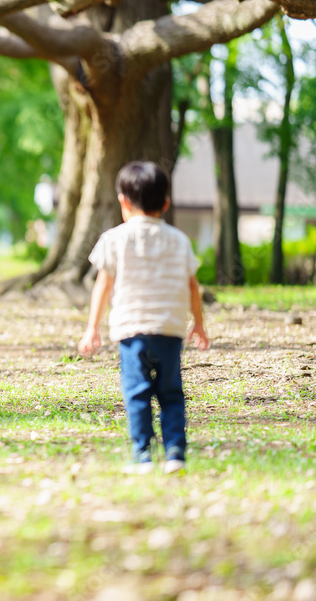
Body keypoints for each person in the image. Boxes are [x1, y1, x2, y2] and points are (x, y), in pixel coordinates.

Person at [78, 161, 209, 475]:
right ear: (165, 202)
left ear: (123, 201)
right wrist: (199, 324)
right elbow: (193, 285)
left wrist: (92, 327)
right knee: (171, 392)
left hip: (132, 332)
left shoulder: (114, 239)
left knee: (137, 393)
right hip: (169, 331)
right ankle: (175, 452)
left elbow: (103, 285)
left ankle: (142, 455)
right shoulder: (179, 240)